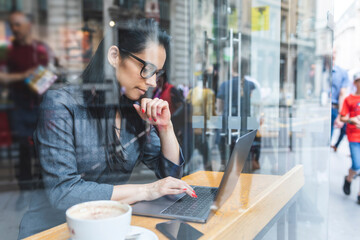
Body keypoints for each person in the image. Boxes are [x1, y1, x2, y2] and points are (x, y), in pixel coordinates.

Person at [18, 19, 196, 238]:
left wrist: (165, 127)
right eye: (147, 69)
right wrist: (147, 190)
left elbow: (171, 178)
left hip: (105, 228)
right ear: (114, 56)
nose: (152, 82)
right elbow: (64, 193)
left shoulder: (134, 111)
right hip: (55, 231)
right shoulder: (61, 104)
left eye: (157, 73)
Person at [0, 12, 55, 195]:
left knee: (42, 148)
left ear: (28, 25)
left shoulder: (40, 48)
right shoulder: (8, 49)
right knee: (24, 149)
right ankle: (24, 192)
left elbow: (51, 72)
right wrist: (23, 76)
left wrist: (44, 79)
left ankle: (41, 190)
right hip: (19, 107)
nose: (14, 29)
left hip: (40, 105)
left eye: (17, 24)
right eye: (12, 25)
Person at [339, 72, 360, 204]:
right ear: (355, 83)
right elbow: (342, 117)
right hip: (353, 135)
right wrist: (351, 120)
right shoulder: (349, 99)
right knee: (357, 164)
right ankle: (349, 178)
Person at [331, 50, 349, 150]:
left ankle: (335, 145)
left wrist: (340, 115)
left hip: (334, 108)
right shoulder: (318, 69)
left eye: (334, 52)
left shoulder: (342, 73)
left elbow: (342, 94)